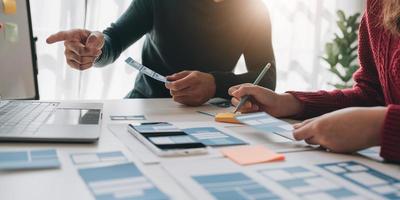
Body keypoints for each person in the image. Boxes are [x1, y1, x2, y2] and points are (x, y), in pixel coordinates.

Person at [229, 0, 400, 162]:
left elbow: (376, 114)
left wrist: (378, 127)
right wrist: (288, 103)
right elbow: (372, 95)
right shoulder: (378, 5)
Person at [46, 0, 276, 106]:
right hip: (144, 105)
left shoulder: (254, 10)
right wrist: (94, 49)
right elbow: (114, 40)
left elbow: (267, 78)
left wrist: (215, 84)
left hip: (209, 115)